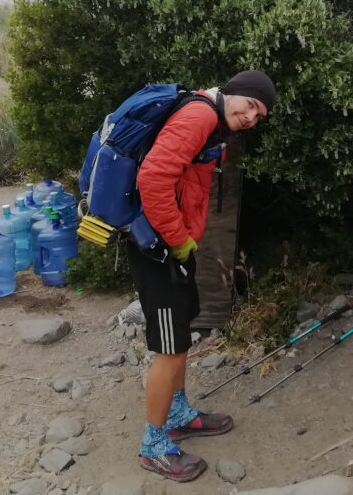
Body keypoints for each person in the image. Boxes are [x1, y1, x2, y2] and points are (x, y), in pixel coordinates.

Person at [129, 69, 276, 482]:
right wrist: (177, 240)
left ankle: (177, 414)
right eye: (251, 105)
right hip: (157, 247)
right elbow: (152, 179)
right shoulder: (200, 116)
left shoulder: (211, 120)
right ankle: (153, 446)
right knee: (169, 347)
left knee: (180, 336)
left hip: (172, 245)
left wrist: (183, 242)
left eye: (260, 116)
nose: (251, 117)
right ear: (233, 92)